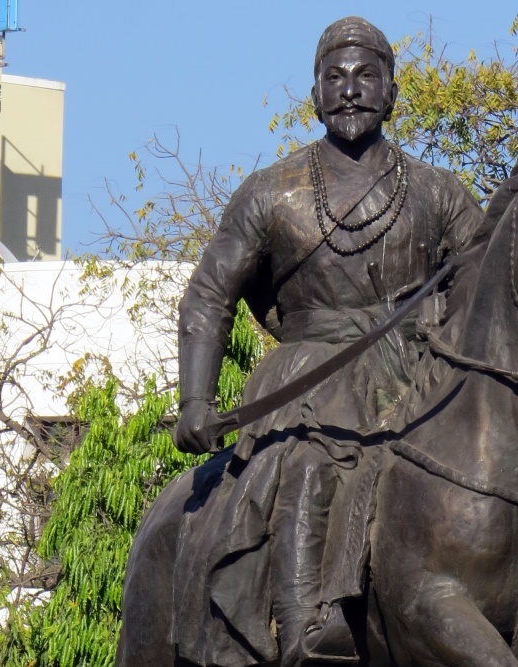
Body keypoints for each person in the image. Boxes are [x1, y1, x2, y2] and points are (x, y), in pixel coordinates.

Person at [173, 16, 484, 666]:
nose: (350, 91)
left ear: (393, 91)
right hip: (307, 381)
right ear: (314, 94)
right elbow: (209, 295)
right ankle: (304, 633)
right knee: (310, 460)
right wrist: (196, 399)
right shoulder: (270, 194)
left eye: (365, 76)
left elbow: (489, 290)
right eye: (334, 78)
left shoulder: (439, 194)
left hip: (417, 383)